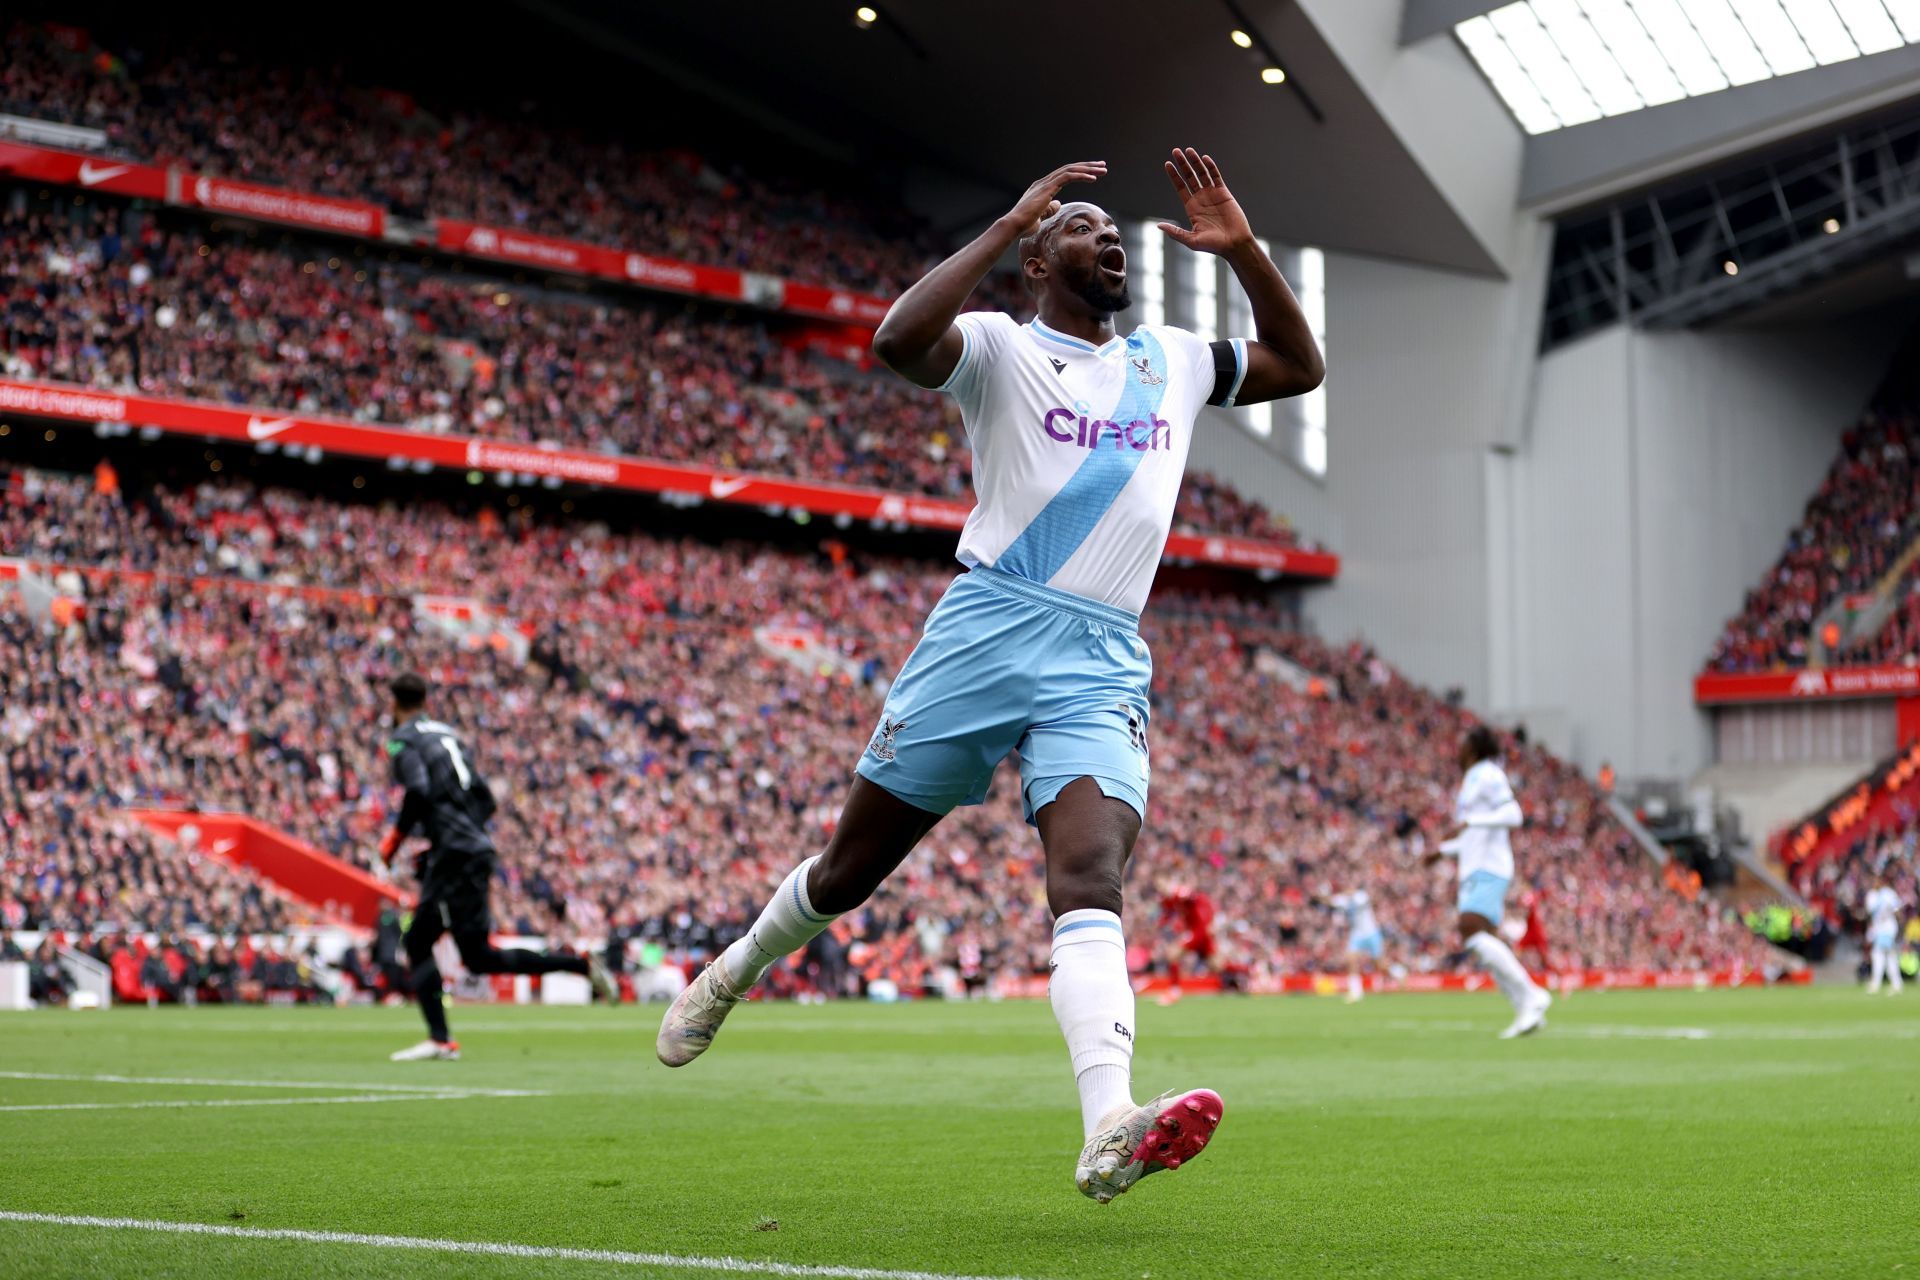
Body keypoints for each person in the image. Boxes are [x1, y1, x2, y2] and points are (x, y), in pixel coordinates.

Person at [656, 150, 1324, 1203]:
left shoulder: (1174, 358)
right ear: (1036, 261)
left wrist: (1243, 251)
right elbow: (895, 339)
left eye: (1112, 229)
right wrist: (1006, 225)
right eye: (1082, 226)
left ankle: (1110, 1122)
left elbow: (1300, 365)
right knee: (848, 872)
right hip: (987, 628)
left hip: (1102, 653)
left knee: (1092, 878)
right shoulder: (1001, 349)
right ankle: (735, 967)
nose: (1108, 237)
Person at [381, 673, 616, 1061]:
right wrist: (456, 834)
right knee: (477, 958)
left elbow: (419, 791)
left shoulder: (404, 740)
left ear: (394, 704)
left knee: (419, 942)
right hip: (469, 851)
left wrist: (395, 841)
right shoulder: (449, 735)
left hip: (455, 857)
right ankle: (580, 964)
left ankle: (440, 1040)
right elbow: (485, 798)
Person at [1424, 725, 1550, 1039]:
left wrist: (1470, 822)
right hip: (1475, 867)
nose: (1459, 749)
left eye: (1464, 743)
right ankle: (1525, 1010)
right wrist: (1442, 852)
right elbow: (1471, 835)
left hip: (1489, 868)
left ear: (1476, 747)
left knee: (1469, 929)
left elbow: (1514, 814)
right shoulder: (1470, 781)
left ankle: (1531, 994)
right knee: (1484, 943)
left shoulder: (1488, 773)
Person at [1326, 888, 1383, 1004]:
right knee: (1350, 959)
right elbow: (1330, 901)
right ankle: (1356, 992)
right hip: (1357, 934)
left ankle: (1398, 972)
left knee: (1379, 964)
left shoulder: (1361, 896)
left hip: (1371, 932)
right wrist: (1318, 895)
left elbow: (1373, 900)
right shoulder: (1343, 900)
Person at [1864, 879, 1904, 995]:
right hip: (1878, 929)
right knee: (1887, 956)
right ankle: (1895, 983)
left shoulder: (1888, 893)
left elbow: (1897, 909)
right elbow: (1870, 912)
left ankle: (1878, 983)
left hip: (1888, 928)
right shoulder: (1872, 895)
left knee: (1879, 955)